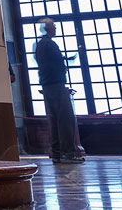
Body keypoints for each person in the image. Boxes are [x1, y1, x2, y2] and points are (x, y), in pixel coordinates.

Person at [34, 18, 83, 163]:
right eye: (53, 26)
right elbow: (58, 63)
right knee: (65, 120)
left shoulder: (40, 45)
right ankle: (67, 153)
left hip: (48, 85)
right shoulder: (49, 44)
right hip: (56, 85)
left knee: (55, 120)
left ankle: (57, 153)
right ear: (47, 28)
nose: (55, 28)